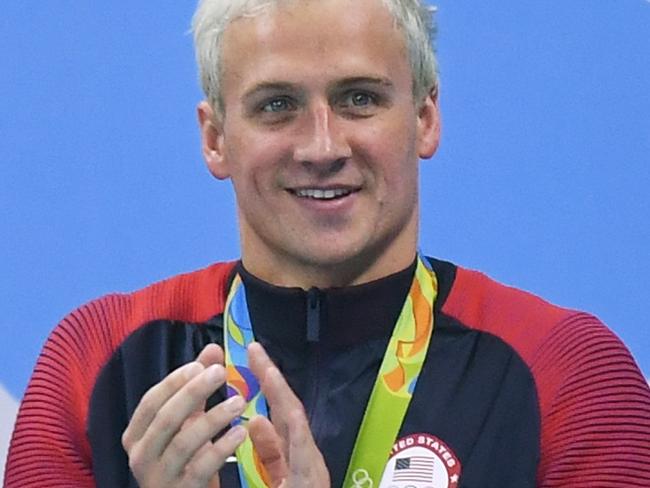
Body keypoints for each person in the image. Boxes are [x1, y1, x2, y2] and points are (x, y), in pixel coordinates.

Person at [5, 0, 650, 486]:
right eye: (277, 105)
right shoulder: (98, 362)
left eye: (359, 98)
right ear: (215, 138)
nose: (321, 147)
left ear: (425, 117)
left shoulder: (566, 371)